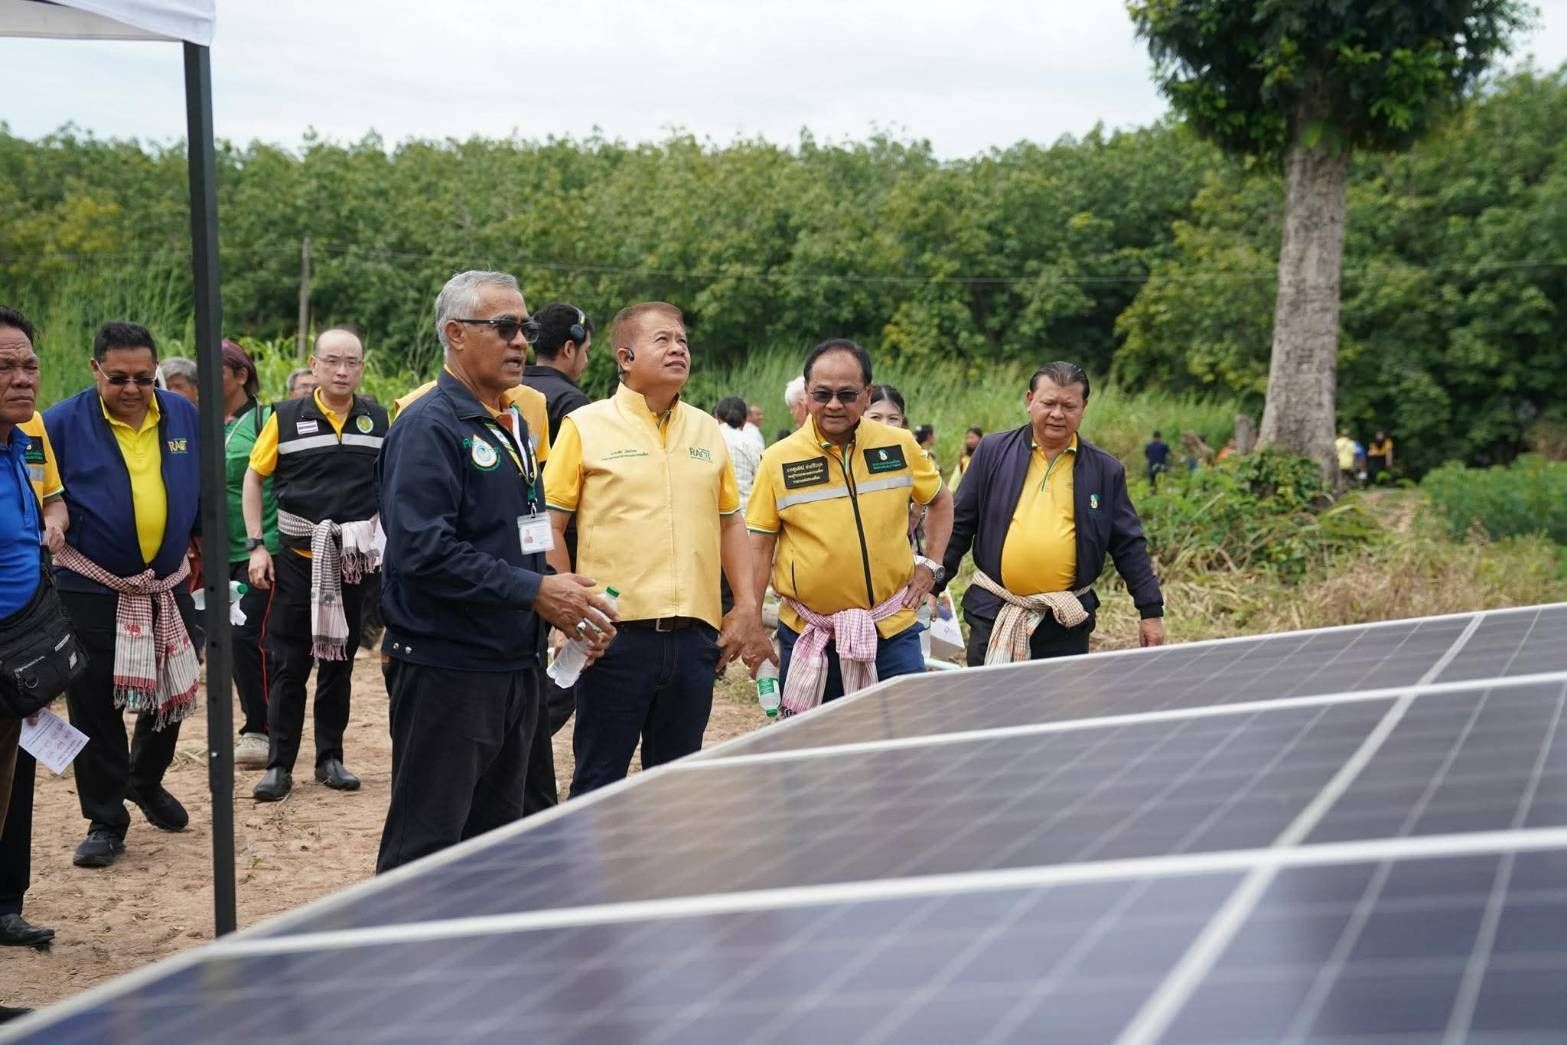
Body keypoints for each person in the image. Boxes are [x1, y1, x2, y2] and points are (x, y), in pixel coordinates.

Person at [375, 271, 614, 871]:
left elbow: (521, 533)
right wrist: (535, 590)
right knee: (425, 848)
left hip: (512, 664)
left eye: (525, 329)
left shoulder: (513, 423)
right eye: (504, 327)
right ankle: (401, 961)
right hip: (447, 668)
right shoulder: (428, 427)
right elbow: (421, 552)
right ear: (456, 335)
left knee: (499, 844)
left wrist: (565, 601)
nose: (521, 343)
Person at [544, 301, 773, 796]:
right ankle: (590, 876)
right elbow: (550, 524)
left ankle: (665, 876)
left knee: (677, 788)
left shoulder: (706, 429)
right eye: (663, 340)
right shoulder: (586, 425)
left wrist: (747, 607)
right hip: (613, 638)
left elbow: (731, 523)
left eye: (683, 341)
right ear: (625, 358)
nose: (678, 349)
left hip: (694, 640)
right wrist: (568, 611)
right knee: (599, 782)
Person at [47, 321, 202, 869]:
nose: (133, 389)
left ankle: (145, 777)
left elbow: (199, 486)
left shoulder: (182, 413)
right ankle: (106, 817)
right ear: (95, 371)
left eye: (143, 377)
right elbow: (44, 492)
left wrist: (206, 547)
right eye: (118, 379)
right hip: (91, 584)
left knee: (175, 685)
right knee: (95, 702)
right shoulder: (59, 424)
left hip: (169, 581)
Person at [748, 339, 951, 713]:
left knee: (904, 743)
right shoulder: (778, 460)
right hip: (811, 636)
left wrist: (931, 567)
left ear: (867, 394)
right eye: (822, 394)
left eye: (847, 394)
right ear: (806, 396)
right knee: (816, 753)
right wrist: (751, 621)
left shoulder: (899, 445)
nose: (834, 405)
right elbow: (759, 548)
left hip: (891, 630)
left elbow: (939, 500)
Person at [942, 361, 1165, 665]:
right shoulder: (993, 451)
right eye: (1049, 403)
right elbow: (959, 525)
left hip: (1066, 621)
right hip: (994, 612)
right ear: (1030, 400)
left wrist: (1150, 611)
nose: (1057, 413)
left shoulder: (1104, 470)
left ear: (1083, 407)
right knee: (991, 707)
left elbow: (1128, 545)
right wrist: (933, 586)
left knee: (1058, 710)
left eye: (1068, 405)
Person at [244, 327, 386, 801]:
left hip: (351, 565)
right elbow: (253, 479)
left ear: (362, 367)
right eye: (332, 361)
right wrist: (256, 545)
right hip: (296, 563)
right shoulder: (284, 418)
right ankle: (280, 764)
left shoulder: (378, 420)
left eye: (352, 362)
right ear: (315, 363)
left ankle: (330, 758)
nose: (342, 370)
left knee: (339, 664)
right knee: (289, 665)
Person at [0, 308, 58, 954]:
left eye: (29, 365)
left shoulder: (20, 447)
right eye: (4, 367)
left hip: (15, 668)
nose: (22, 379)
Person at [220, 340, 276, 769]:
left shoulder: (265, 419)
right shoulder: (198, 424)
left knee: (247, 636)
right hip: (214, 550)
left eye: (217, 370)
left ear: (241, 375)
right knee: (228, 642)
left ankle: (260, 729)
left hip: (258, 548)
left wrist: (264, 545)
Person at [523, 302, 594, 442]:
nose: (586, 360)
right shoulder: (571, 402)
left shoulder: (510, 387)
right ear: (569, 349)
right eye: (586, 351)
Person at [715, 396, 759, 511]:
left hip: (715, 515)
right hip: (746, 514)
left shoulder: (709, 438)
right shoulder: (753, 443)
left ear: (717, 417)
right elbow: (762, 480)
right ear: (745, 420)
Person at [949, 426, 983, 490]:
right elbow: (956, 479)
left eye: (972, 437)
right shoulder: (964, 459)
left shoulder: (985, 457)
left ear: (980, 438)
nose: (969, 441)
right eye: (967, 438)